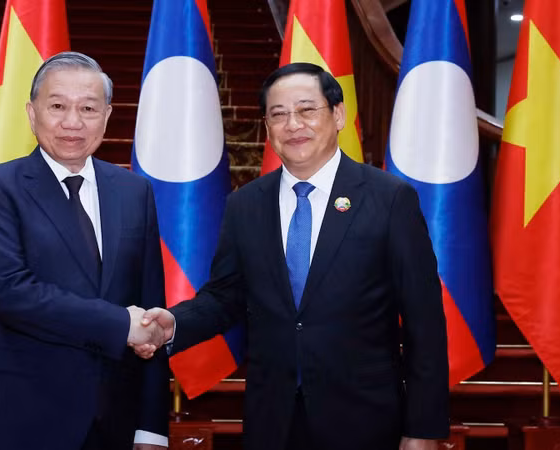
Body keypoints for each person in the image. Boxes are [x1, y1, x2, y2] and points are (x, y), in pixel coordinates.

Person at [138, 62, 449, 450]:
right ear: (267, 128)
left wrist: (423, 429)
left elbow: (426, 323)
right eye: (279, 115)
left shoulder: (389, 199)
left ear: (337, 114)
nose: (293, 125)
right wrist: (173, 324)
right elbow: (225, 296)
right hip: (273, 421)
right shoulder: (245, 204)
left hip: (365, 421)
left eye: (306, 110)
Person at [0, 52, 169, 450]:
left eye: (89, 108)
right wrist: (119, 324)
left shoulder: (134, 191)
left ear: (107, 116)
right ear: (31, 112)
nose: (73, 122)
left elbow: (151, 305)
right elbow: (10, 292)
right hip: (23, 420)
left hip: (115, 423)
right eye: (57, 106)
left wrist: (151, 426)